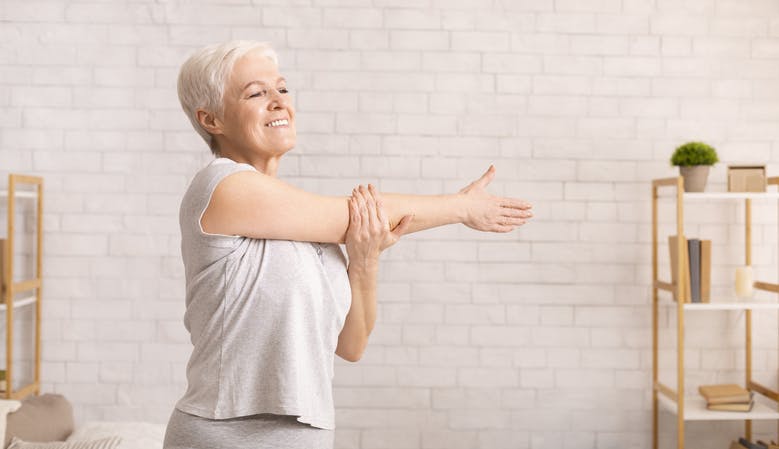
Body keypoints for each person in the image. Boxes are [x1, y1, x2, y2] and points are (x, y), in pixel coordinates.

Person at [163, 40, 533, 449]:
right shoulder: (220, 186)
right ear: (210, 119)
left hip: (307, 436)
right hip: (223, 434)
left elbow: (351, 345)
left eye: (282, 89)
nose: (278, 102)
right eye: (256, 93)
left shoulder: (309, 230)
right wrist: (462, 207)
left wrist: (364, 259)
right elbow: (355, 216)